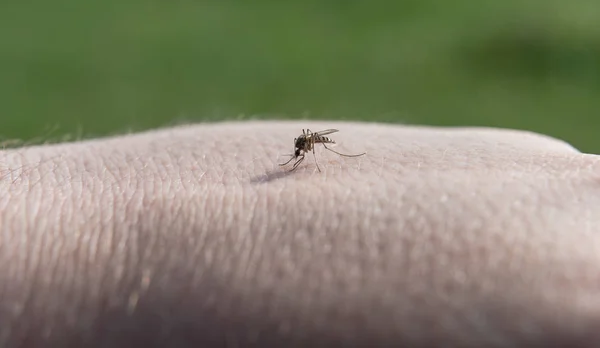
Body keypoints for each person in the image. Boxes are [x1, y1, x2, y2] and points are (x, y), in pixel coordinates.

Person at [1, 121, 599, 347]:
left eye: (305, 145)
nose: (303, 148)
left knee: (322, 156)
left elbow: (315, 142)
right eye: (305, 145)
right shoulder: (301, 150)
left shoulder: (316, 145)